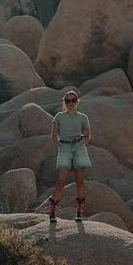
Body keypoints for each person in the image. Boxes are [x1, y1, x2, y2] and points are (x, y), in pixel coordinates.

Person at [48, 89, 91, 223]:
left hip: (79, 148)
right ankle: (52, 210)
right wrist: (60, 144)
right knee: (61, 182)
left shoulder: (83, 117)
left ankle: (79, 212)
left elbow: (88, 135)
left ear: (77, 101)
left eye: (73, 100)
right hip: (65, 148)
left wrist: (83, 142)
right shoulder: (59, 116)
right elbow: (53, 135)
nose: (71, 103)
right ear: (64, 103)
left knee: (80, 182)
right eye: (68, 101)